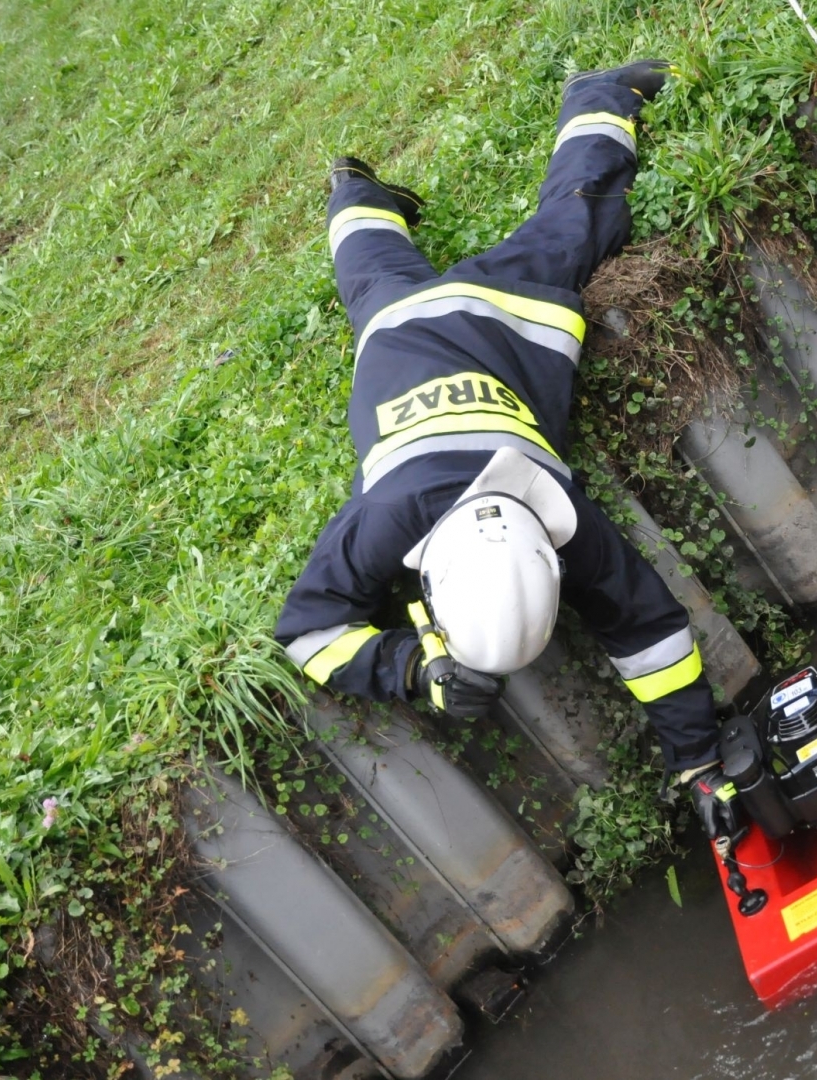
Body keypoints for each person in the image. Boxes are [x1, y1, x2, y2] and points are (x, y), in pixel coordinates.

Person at [273, 61, 739, 835]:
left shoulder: (499, 521)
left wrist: (698, 763)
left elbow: (651, 633)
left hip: (455, 322)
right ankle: (367, 189)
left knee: (557, 223)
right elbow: (305, 633)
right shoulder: (408, 515)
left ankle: (370, 186)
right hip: (441, 326)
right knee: (423, 259)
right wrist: (415, 669)